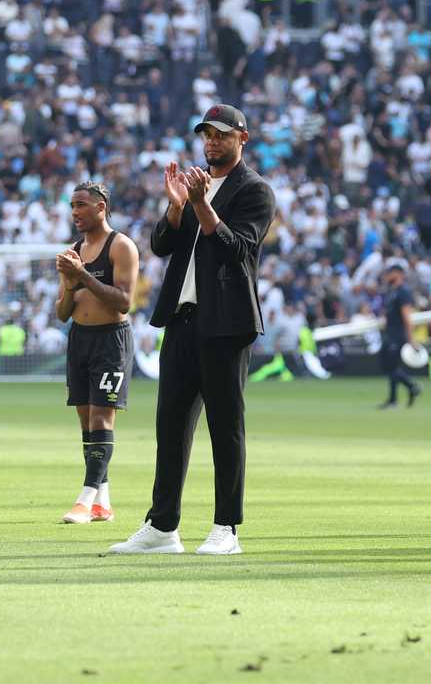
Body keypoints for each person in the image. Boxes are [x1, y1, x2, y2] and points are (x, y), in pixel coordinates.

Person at [109, 104, 276, 556]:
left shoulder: (255, 190)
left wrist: (201, 204)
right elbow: (162, 246)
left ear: (243, 138)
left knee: (226, 427)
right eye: (207, 134)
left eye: (222, 134)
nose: (212, 142)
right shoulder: (193, 184)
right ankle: (163, 526)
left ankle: (227, 528)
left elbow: (236, 252)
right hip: (183, 320)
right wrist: (176, 206)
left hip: (226, 324)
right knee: (171, 426)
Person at [54, 182, 140, 524]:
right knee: (87, 424)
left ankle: (84, 500)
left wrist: (82, 275)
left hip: (110, 341)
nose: (75, 211)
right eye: (72, 205)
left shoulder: (121, 247)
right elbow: (62, 313)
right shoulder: (72, 251)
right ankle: (103, 501)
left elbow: (124, 302)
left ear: (101, 207)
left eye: (81, 205)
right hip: (80, 340)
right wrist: (70, 282)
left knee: (102, 419)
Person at [378, 263, 422, 408]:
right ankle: (407, 390)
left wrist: (411, 339)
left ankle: (402, 393)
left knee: (391, 366)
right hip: (390, 333)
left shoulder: (403, 291)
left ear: (398, 273)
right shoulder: (391, 291)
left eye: (390, 273)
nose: (387, 276)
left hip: (398, 335)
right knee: (389, 366)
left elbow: (407, 317)